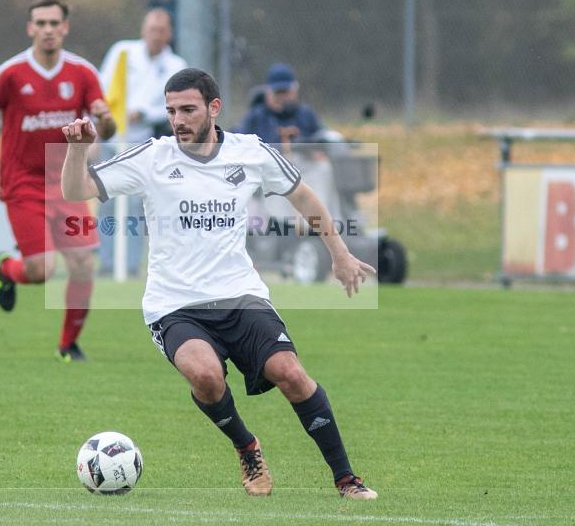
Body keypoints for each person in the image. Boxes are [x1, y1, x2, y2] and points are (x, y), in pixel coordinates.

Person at [61, 68, 378, 499]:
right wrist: (77, 150)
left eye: (188, 109)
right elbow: (75, 189)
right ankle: (246, 447)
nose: (178, 120)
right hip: (175, 305)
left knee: (291, 374)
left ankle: (346, 479)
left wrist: (339, 254)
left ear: (214, 108)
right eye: (171, 111)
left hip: (240, 295)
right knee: (206, 376)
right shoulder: (152, 157)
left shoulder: (251, 152)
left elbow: (302, 194)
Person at [0, 0, 115, 362]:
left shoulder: (83, 72)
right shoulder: (10, 73)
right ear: (30, 28)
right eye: (41, 23)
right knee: (42, 270)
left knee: (83, 264)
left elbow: (107, 131)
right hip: (22, 183)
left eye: (54, 23)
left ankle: (68, 345)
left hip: (68, 182)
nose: (48, 30)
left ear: (65, 28)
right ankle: (7, 268)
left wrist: (105, 119)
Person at [96, 8, 187, 276]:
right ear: (143, 30)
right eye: (151, 29)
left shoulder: (176, 66)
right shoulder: (122, 51)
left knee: (136, 205)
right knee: (107, 202)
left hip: (145, 145)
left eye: (161, 30)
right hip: (112, 140)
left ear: (169, 34)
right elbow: (103, 89)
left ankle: (131, 265)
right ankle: (108, 263)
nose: (155, 35)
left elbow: (175, 107)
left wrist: (144, 113)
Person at [238, 63, 325, 147]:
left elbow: (324, 139)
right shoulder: (255, 117)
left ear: (295, 91)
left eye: (285, 92)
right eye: (277, 92)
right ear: (268, 93)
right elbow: (240, 144)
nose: (282, 97)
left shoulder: (306, 115)